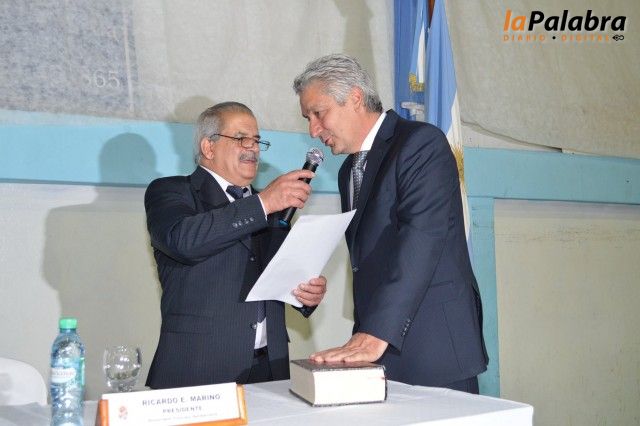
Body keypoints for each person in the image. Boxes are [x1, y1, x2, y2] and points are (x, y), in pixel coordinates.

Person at [292, 54, 488, 393]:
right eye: (308, 118)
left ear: (355, 98)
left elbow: (421, 240)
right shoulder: (347, 171)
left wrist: (376, 333)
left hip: (434, 349)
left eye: (319, 113)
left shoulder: (420, 144)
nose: (313, 130)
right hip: (378, 348)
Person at [144, 101, 327, 388]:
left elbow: (278, 275)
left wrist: (306, 294)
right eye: (241, 138)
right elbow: (183, 241)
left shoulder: (271, 206)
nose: (253, 148)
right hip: (198, 368)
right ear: (209, 147)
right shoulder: (171, 191)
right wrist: (263, 203)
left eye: (256, 140)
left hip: (270, 367)